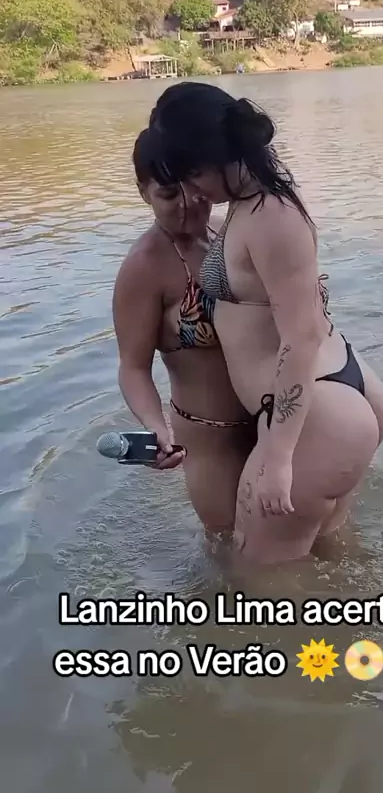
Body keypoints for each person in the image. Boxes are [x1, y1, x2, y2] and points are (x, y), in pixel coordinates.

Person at [145, 82, 383, 565]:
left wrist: (278, 457)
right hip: (334, 399)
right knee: (327, 558)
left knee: (259, 580)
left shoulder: (269, 217)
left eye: (191, 174)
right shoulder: (261, 198)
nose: (193, 192)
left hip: (316, 416)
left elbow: (300, 339)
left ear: (210, 158)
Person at [112, 127, 255, 535]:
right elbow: (133, 368)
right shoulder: (144, 266)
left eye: (194, 188)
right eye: (168, 194)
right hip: (214, 444)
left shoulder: (228, 232)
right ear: (143, 193)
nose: (188, 203)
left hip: (272, 426)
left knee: (323, 547)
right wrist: (156, 426)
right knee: (235, 557)